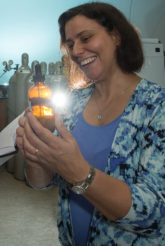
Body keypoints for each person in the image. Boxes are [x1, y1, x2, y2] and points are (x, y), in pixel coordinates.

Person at [16, 2, 165, 245]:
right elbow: (44, 182)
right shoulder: (73, 103)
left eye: (86, 38)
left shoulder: (156, 106)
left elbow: (157, 216)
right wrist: (34, 154)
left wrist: (80, 174)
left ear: (116, 35)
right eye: (70, 44)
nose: (76, 51)